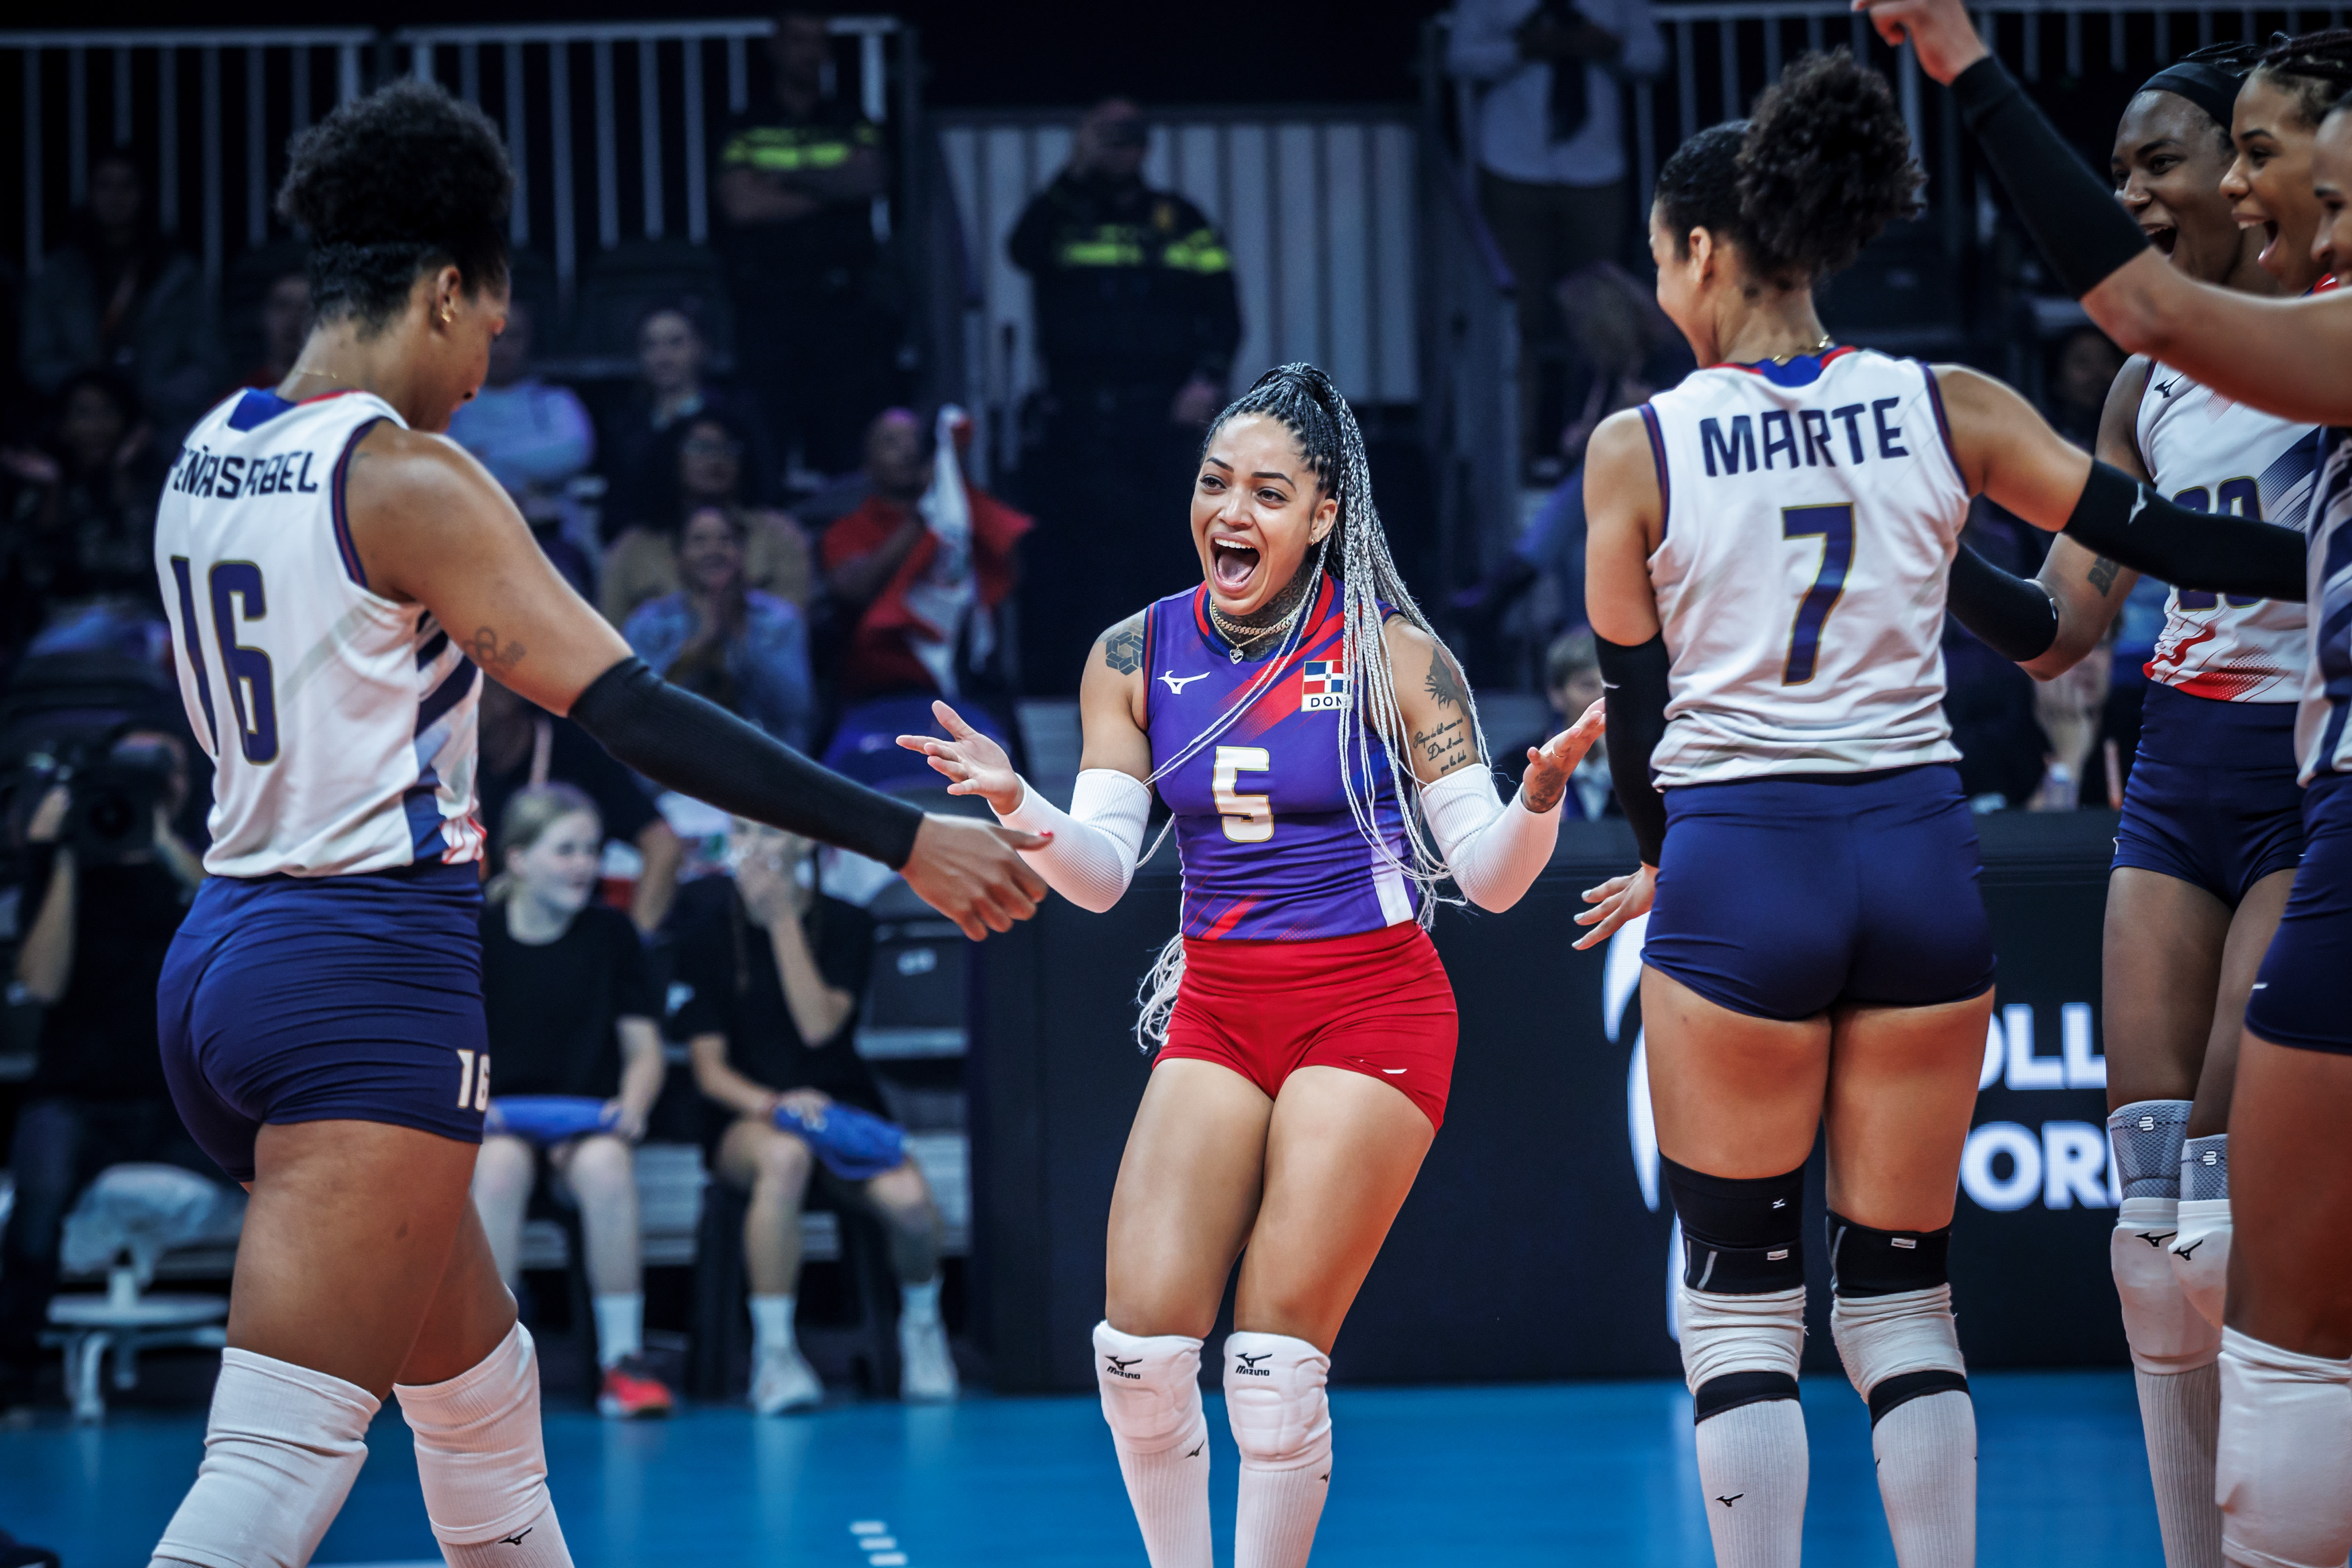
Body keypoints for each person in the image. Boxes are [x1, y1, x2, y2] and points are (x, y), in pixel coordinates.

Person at [141, 78, 1043, 1568]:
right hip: (363, 964)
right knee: (273, 1465)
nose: (491, 367)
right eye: (491, 326)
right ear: (444, 288)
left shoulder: (201, 454)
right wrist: (902, 833)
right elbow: (627, 709)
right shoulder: (406, 475)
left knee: (484, 1413)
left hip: (225, 955)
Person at [1564, 47, 2321, 1565]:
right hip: (1916, 856)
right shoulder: (1944, 401)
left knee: (1739, 1299)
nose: (1660, 290)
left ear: (1705, 251)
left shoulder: (1636, 447)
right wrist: (2314, 571)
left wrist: (1670, 866)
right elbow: (2154, 538)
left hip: (1741, 862)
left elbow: (1638, 718)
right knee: (1904, 1291)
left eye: (1661, 259)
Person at [903, 361, 1603, 1568]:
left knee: (1272, 1368)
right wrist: (1017, 801)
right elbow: (1102, 871)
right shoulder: (1133, 652)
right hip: (1220, 1004)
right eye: (1215, 483)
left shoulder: (1394, 652)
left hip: (1372, 1002)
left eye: (1269, 493)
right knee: (1137, 1354)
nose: (1233, 511)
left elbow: (1487, 878)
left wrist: (1537, 796)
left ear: (1324, 515)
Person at [1860, 6, 2352, 1560]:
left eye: (2172, 161)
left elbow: (2142, 307)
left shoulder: (2302, 326)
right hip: (2176, 770)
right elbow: (2061, 624)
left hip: (2299, 774)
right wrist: (1932, 549)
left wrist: (1957, 57)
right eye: (2122, 166)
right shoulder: (2152, 391)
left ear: (2243, 170)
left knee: (2224, 1219)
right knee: (2151, 1245)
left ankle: (2283, 1503)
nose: (2140, 188)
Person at [676, 820, 958, 1411]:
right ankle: (775, 1354)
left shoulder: (850, 923)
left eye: (771, 832)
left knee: (908, 1201)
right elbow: (709, 1070)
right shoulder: (704, 933)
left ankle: (923, 1328)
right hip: (751, 1112)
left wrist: (781, 920)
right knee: (786, 1155)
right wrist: (775, 1105)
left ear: (805, 843)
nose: (756, 847)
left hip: (839, 1102)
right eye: (743, 832)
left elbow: (819, 1024)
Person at [0, 732, 214, 1414]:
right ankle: (12, 1378)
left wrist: (158, 842)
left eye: (159, 773)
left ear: (181, 786)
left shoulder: (198, 863)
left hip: (175, 1091)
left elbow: (237, 930)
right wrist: (64, 855)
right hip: (76, 1089)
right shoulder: (61, 859)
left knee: (289, 1173)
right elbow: (41, 980)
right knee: (36, 1206)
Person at [1007, 98, 1243, 693]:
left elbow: (1224, 310)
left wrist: (1207, 380)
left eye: (1129, 137)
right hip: (1078, 415)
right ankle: (1081, 684)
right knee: (1079, 554)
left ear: (1146, 147)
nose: (1120, 149)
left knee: (1165, 548)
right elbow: (1021, 249)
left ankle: (1176, 677)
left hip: (1161, 415)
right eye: (1107, 137)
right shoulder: (1062, 213)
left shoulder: (1179, 219)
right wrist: (1074, 168)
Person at [470, 785, 674, 1420]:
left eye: (591, 850)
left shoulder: (612, 934)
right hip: (499, 1123)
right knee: (498, 1166)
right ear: (519, 859)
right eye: (565, 850)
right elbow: (449, 1046)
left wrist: (631, 1107)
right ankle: (491, 1367)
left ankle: (622, 1359)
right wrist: (475, 1108)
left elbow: (644, 1048)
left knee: (606, 1166)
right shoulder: (477, 934)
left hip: (583, 1124)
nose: (584, 864)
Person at [1445, 0, 1666, 466]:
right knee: (1515, 318)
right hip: (1512, 165)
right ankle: (1516, 452)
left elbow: (1652, 54)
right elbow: (1460, 55)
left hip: (1597, 168)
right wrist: (1524, 48)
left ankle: (1598, 453)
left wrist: (1607, 46)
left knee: (1601, 318)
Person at [714, 9, 898, 477]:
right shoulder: (747, 123)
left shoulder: (850, 117)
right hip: (768, 306)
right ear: (775, 48)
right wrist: (832, 191)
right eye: (799, 41)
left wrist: (784, 177)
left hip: (844, 308)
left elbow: (870, 177)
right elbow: (742, 204)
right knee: (767, 443)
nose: (810, 53)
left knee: (844, 448)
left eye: (818, 42)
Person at [822, 406, 1031, 704]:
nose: (908, 451)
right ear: (868, 466)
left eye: (914, 440)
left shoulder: (958, 513)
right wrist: (925, 514)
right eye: (892, 443)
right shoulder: (847, 531)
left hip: (967, 684)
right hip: (882, 692)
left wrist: (950, 488)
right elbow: (854, 590)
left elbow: (1009, 569)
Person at [20, 150, 223, 446]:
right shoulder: (60, 272)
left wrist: (152, 398)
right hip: (70, 426)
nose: (115, 198)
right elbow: (36, 358)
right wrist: (85, 391)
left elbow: (209, 362)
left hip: (160, 427)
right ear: (90, 192)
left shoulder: (178, 273)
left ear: (144, 194)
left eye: (127, 186)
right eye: (105, 185)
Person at [475, 676, 684, 935]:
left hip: (571, 950)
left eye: (463, 686)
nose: (446, 703)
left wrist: (633, 950)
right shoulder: (441, 758)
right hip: (488, 951)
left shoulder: (576, 753)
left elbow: (663, 845)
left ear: (506, 695)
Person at [0, 369, 165, 658]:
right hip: (61, 624)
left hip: (137, 621)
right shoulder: (39, 487)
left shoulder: (150, 484)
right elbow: (38, 576)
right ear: (63, 424)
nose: (96, 427)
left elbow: (139, 564)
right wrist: (52, 491)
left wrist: (121, 477)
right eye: (83, 415)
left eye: (107, 413)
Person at [624, 505, 816, 751]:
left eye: (725, 540)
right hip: (676, 768)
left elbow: (796, 710)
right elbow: (639, 712)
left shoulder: (779, 619)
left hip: (767, 763)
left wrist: (738, 633)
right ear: (678, 556)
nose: (713, 551)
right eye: (699, 541)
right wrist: (701, 642)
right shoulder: (648, 623)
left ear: (742, 552)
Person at [600, 407, 811, 629]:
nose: (715, 458)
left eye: (727, 448)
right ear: (673, 457)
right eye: (700, 448)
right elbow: (611, 640)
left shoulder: (779, 536)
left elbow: (792, 627)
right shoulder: (632, 548)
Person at [444, 298, 598, 597]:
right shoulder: (451, 406)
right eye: (495, 337)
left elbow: (575, 450)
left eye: (514, 337)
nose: (503, 348)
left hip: (547, 543)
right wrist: (532, 466)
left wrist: (484, 457)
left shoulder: (555, 402)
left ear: (529, 341)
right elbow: (443, 462)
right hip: (468, 543)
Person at [597, 301, 776, 539]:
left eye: (675, 343)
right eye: (651, 345)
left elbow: (764, 490)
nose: (663, 357)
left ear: (702, 347)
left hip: (734, 539)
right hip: (651, 547)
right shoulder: (625, 426)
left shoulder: (737, 417)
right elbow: (616, 512)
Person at [1507, 631, 1616, 818]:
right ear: (1556, 694)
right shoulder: (1517, 766)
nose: (1603, 699)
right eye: (1588, 686)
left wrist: (1624, 769)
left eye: (1612, 686)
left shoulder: (1645, 764)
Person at [243, 270, 313, 390]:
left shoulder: (340, 399)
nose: (293, 318)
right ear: (264, 314)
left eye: (305, 308)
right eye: (283, 305)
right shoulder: (240, 399)